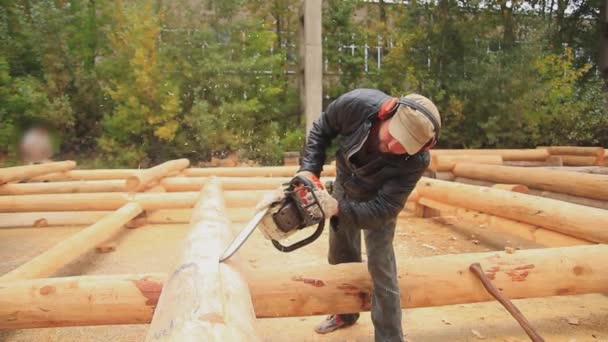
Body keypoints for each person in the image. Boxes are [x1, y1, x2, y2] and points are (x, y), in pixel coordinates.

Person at [296, 88, 441, 342]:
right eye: (394, 135)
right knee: (340, 253)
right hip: (345, 181)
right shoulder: (357, 105)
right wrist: (309, 171)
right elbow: (322, 129)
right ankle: (345, 313)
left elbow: (383, 210)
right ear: (387, 113)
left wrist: (337, 208)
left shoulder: (416, 161)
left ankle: (389, 337)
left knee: (381, 268)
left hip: (378, 200)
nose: (393, 146)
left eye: (404, 145)